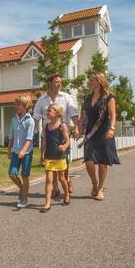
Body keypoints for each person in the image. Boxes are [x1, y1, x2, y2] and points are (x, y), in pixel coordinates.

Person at [33, 74, 79, 198]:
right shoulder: (42, 100)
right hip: (47, 133)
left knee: (63, 161)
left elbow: (73, 113)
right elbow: (36, 116)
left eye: (60, 82)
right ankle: (55, 188)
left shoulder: (66, 97)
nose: (59, 83)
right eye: (57, 81)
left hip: (62, 133)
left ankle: (66, 179)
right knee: (49, 161)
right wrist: (31, 130)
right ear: (50, 83)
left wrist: (77, 126)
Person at [81, 72, 120, 201]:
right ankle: (94, 183)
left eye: (92, 80)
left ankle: (100, 189)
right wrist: (78, 128)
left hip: (104, 132)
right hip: (90, 134)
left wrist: (112, 128)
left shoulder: (108, 97)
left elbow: (113, 115)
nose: (90, 82)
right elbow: (83, 117)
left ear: (99, 81)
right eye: (90, 80)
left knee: (102, 163)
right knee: (88, 161)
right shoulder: (87, 98)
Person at [40, 104, 70, 213]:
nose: (47, 112)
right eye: (47, 111)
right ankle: (47, 203)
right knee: (49, 180)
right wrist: (41, 155)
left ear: (57, 113)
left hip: (59, 157)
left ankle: (66, 194)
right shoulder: (45, 126)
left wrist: (64, 146)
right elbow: (44, 142)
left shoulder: (62, 126)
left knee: (62, 178)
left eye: (50, 111)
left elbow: (68, 140)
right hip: (49, 156)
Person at [7, 94, 35, 208]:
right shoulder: (14, 120)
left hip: (26, 152)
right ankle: (23, 189)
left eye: (19, 104)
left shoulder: (30, 121)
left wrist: (23, 150)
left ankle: (24, 198)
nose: (17, 106)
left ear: (26, 105)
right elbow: (11, 136)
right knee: (12, 174)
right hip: (15, 151)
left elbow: (29, 138)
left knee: (24, 175)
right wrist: (9, 150)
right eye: (16, 104)